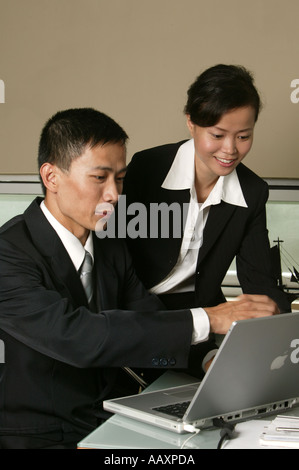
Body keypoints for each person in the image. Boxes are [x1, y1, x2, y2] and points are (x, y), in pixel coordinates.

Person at [0, 107, 276, 449]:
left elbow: (148, 319)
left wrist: (209, 360)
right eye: (100, 178)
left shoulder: (110, 242)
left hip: (109, 419)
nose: (114, 195)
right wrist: (210, 317)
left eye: (119, 178)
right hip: (38, 436)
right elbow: (80, 337)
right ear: (51, 177)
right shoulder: (8, 253)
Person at [123, 64, 291, 341]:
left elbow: (259, 281)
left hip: (205, 317)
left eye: (244, 136)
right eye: (217, 135)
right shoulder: (147, 168)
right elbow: (114, 259)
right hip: (136, 312)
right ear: (191, 122)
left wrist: (275, 310)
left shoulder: (252, 191)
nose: (231, 149)